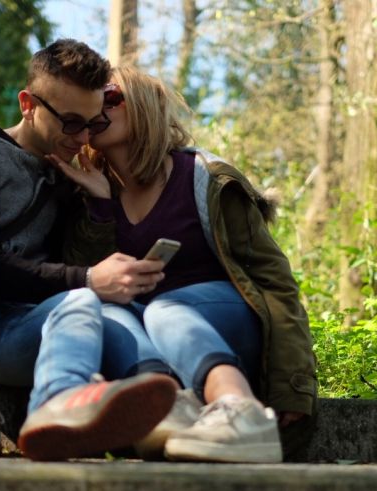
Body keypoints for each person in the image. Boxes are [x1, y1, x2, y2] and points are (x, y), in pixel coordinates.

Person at [0, 40, 178, 461]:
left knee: (81, 300)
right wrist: (84, 277)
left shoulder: (68, 179)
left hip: (8, 336)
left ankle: (56, 408)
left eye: (91, 124)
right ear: (28, 104)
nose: (82, 138)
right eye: (69, 122)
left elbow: (66, 281)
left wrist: (99, 205)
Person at [51, 66, 319, 463]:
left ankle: (238, 408)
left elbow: (274, 281)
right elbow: (81, 281)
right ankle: (162, 403)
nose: (97, 110)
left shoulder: (206, 179)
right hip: (152, 348)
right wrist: (101, 209)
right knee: (104, 309)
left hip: (226, 330)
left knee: (164, 308)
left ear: (145, 104)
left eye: (110, 97)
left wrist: (293, 384)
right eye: (91, 103)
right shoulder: (89, 191)